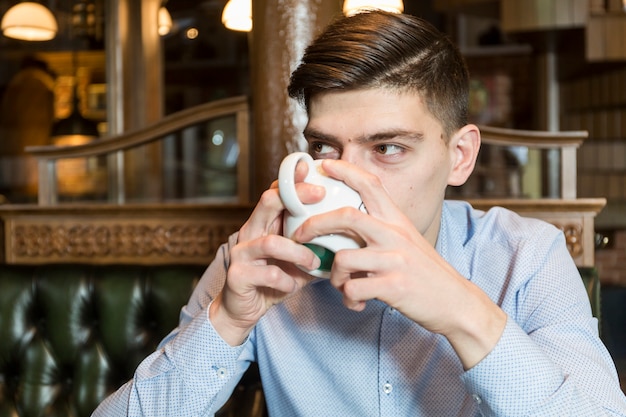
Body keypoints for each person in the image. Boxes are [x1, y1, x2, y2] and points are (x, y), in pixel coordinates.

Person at [93, 10, 626, 416]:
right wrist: (227, 321)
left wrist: (462, 310)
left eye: (387, 148)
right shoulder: (257, 259)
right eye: (325, 148)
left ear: (459, 156)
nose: (348, 178)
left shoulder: (526, 254)